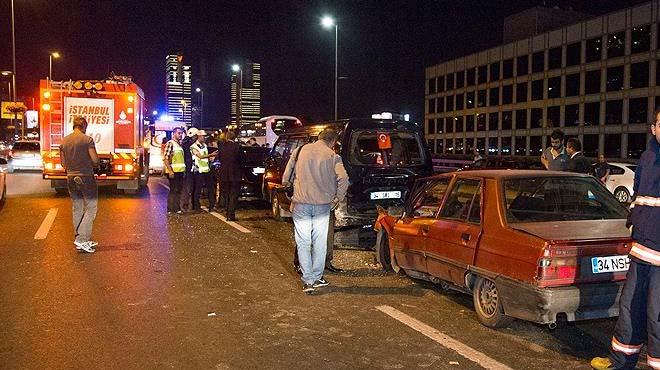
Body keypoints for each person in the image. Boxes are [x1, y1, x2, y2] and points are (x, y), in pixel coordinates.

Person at [590, 109, 660, 370]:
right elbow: (639, 197)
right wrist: (634, 218)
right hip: (641, 249)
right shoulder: (647, 157)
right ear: (653, 128)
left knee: (657, 316)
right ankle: (621, 361)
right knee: (630, 308)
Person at [283, 128, 349, 294]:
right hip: (322, 206)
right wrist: (338, 198)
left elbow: (286, 177)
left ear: (319, 137)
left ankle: (308, 280)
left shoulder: (299, 151)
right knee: (319, 242)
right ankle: (318, 277)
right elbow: (344, 179)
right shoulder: (333, 156)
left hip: (300, 204)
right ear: (333, 141)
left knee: (303, 242)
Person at [60, 116, 100, 253]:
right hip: (86, 177)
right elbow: (95, 159)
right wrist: (96, 162)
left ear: (73, 126)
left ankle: (80, 237)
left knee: (77, 208)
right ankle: (82, 239)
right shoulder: (87, 140)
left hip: (71, 177)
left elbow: (63, 164)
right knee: (91, 208)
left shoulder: (64, 141)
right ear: (84, 126)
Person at [217, 131, 242, 221]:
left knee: (227, 194)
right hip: (235, 174)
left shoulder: (221, 147)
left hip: (224, 174)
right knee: (234, 195)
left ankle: (227, 213)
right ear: (234, 138)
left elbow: (219, 159)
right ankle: (231, 214)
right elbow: (241, 160)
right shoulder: (237, 147)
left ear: (227, 137)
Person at [190, 130, 216, 212]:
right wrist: (211, 155)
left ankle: (212, 205)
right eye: (203, 136)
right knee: (197, 189)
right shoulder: (193, 146)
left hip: (206, 169)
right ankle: (196, 207)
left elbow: (205, 157)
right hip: (198, 170)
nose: (205, 138)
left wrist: (210, 158)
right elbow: (200, 156)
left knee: (210, 188)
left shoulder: (204, 145)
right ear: (199, 136)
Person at [163, 127, 186, 215]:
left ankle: (177, 208)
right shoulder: (170, 143)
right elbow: (165, 158)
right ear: (174, 134)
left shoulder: (179, 144)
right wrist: (170, 171)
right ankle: (170, 209)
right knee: (173, 190)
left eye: (181, 133)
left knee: (178, 190)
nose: (180, 135)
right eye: (179, 133)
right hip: (173, 171)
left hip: (180, 171)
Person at [180, 127, 198, 212]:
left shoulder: (184, 142)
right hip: (188, 168)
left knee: (186, 187)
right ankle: (185, 205)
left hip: (186, 168)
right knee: (187, 187)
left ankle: (185, 205)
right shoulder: (189, 144)